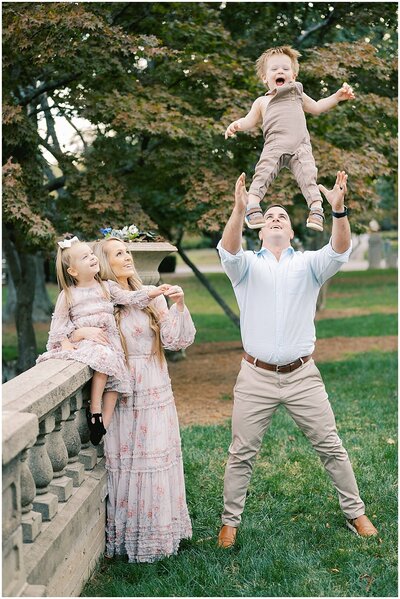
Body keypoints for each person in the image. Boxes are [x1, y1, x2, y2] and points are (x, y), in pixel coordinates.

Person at [216, 171, 378, 548]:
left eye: (283, 217)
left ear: (291, 233)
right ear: (259, 232)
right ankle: (229, 523)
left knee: (330, 445)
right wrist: (239, 210)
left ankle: (356, 513)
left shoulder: (308, 264)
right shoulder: (244, 268)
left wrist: (338, 212)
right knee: (241, 452)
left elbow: (339, 249)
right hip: (255, 376)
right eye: (269, 216)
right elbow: (228, 249)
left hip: (303, 375)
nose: (275, 218)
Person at [72, 236, 195, 563]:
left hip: (156, 386)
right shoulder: (105, 300)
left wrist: (179, 305)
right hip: (126, 391)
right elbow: (73, 332)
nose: (127, 257)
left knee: (157, 458)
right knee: (129, 463)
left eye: (127, 251)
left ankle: (162, 535)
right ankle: (133, 540)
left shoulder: (153, 298)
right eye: (118, 254)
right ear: (105, 261)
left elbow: (174, 340)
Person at [37, 236, 169, 445]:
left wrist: (153, 292)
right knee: (103, 361)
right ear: (72, 271)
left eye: (91, 254)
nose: (92, 258)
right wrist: (65, 342)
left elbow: (130, 298)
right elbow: (59, 324)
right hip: (91, 342)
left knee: (115, 385)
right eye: (84, 257)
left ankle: (101, 426)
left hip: (110, 342)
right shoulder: (68, 295)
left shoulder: (106, 287)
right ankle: (95, 408)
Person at [224, 45, 355, 231]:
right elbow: (249, 120)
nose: (280, 71)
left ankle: (316, 209)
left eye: (285, 69)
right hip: (274, 146)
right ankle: (252, 206)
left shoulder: (297, 94)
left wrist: (336, 97)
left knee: (309, 175)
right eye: (275, 69)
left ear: (293, 76)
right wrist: (236, 124)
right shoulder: (262, 101)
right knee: (263, 173)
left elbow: (317, 107)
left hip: (301, 147)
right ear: (265, 78)